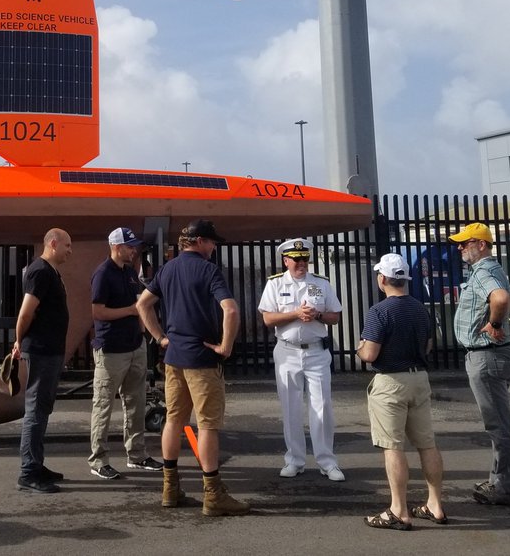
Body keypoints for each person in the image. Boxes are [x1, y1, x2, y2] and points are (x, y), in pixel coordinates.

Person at [136, 219, 249, 517]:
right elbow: (231, 309)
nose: (214, 247)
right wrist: (226, 346)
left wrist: (160, 337)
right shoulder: (208, 270)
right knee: (208, 424)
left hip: (173, 357)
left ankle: (169, 488)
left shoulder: (167, 269)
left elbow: (143, 305)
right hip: (202, 358)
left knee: (174, 419)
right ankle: (213, 494)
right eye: (211, 241)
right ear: (198, 241)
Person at [357, 253, 447, 530]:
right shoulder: (421, 309)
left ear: (382, 279)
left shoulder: (379, 312)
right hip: (419, 378)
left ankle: (399, 509)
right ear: (405, 278)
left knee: (392, 446)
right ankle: (435, 504)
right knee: (427, 444)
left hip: (390, 382)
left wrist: (359, 348)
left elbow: (370, 353)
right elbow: (429, 345)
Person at [257, 237, 345, 481]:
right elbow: (267, 319)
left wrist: (316, 314)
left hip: (316, 351)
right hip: (287, 351)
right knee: (291, 407)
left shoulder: (321, 283)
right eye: (295, 259)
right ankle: (294, 460)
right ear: (286, 261)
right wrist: (295, 313)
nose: (301, 263)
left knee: (322, 407)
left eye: (304, 259)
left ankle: (327, 461)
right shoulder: (274, 284)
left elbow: (335, 316)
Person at [450, 221, 510, 507]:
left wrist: (493, 323)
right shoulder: (492, 269)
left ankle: (506, 487)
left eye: (465, 243)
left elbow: (503, 297)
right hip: (491, 354)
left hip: (487, 355)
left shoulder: (483, 270)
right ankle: (500, 481)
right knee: (500, 422)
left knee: (498, 425)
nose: (460, 248)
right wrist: (496, 321)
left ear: (481, 244)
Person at [87, 227, 160, 480]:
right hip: (111, 349)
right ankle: (98, 460)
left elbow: (137, 304)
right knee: (104, 405)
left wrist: (142, 332)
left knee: (136, 402)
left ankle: (137, 454)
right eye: (129, 246)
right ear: (116, 247)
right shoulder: (102, 273)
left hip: (133, 345)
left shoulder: (129, 272)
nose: (134, 250)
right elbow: (98, 312)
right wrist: (129, 311)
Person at [12, 228, 71, 493]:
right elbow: (25, 313)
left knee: (43, 408)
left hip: (50, 350)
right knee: (35, 410)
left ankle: (37, 463)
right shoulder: (40, 271)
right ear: (53, 243)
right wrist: (18, 340)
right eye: (67, 245)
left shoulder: (51, 272)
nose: (70, 251)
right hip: (40, 350)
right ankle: (28, 472)